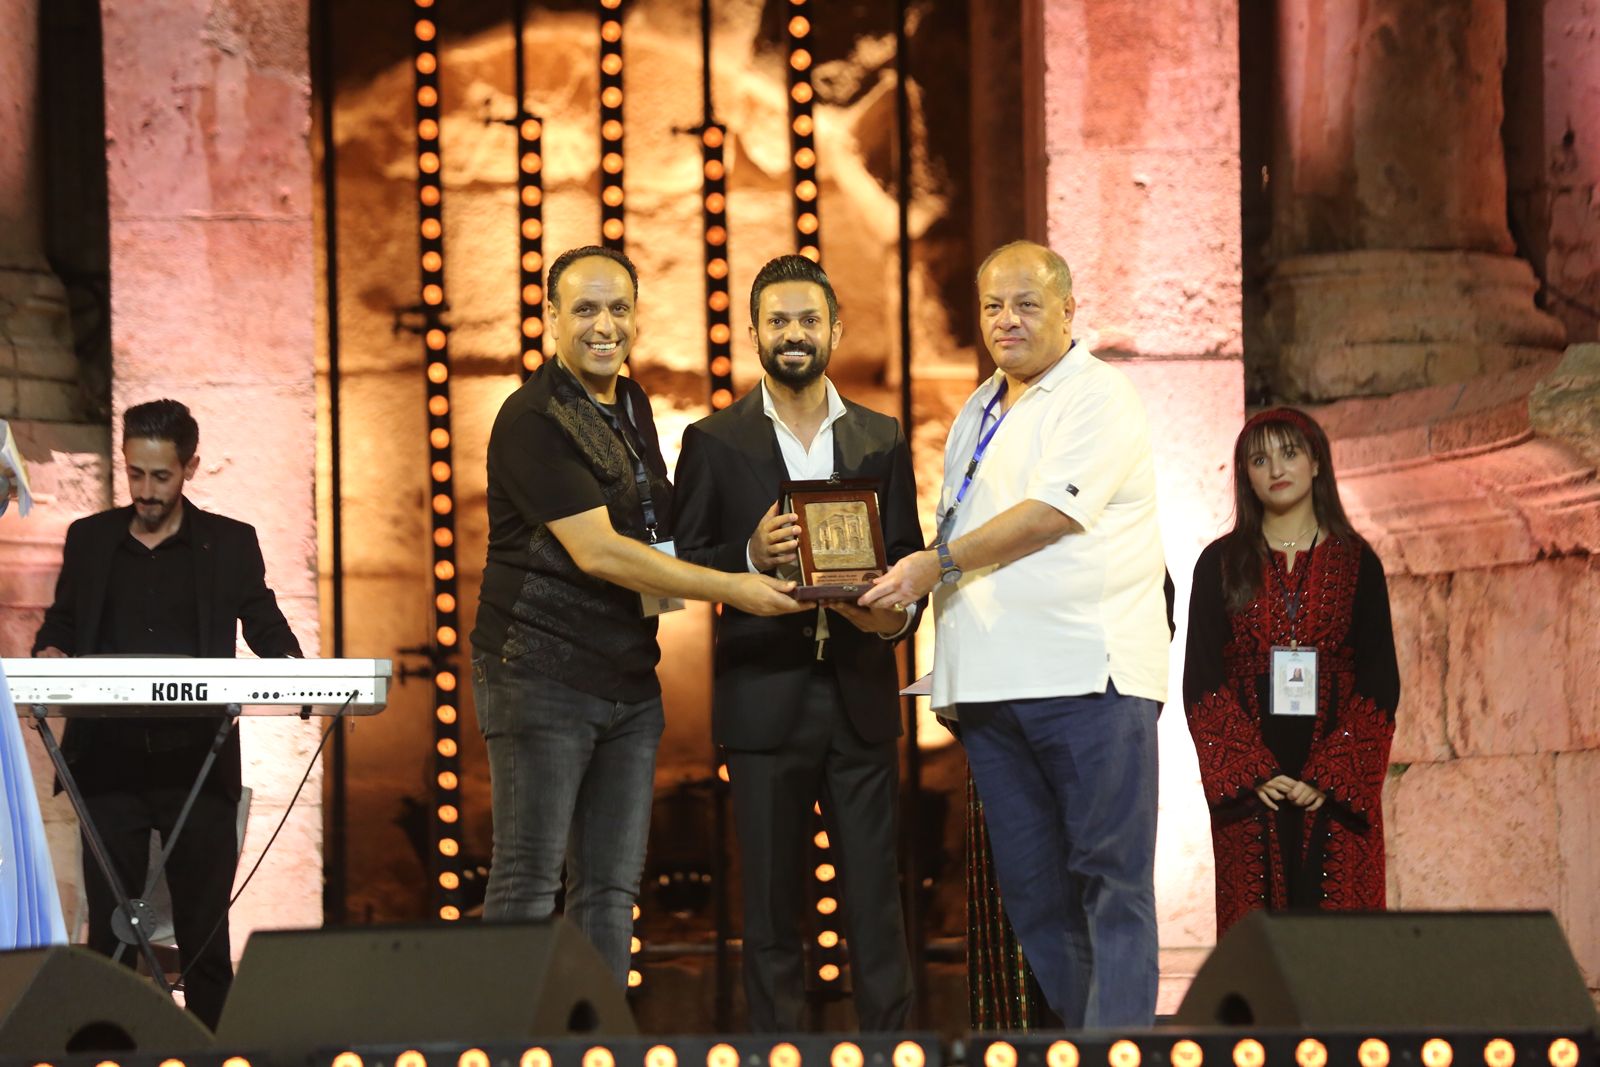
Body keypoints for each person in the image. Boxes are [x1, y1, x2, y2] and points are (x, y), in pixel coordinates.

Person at [470, 245, 803, 984]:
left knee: (612, 892)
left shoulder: (631, 401)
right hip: (539, 674)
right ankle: (501, 1038)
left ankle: (595, 1036)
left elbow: (655, 531)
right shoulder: (532, 418)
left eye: (619, 308)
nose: (604, 325)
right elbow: (600, 553)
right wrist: (735, 587)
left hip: (628, 681)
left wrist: (747, 554)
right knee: (528, 880)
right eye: (585, 308)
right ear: (551, 316)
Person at [863, 240, 1169, 1027]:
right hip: (993, 691)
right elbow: (961, 525)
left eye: (1027, 303)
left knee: (1110, 882)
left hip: (1086, 680)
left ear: (1069, 309)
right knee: (1034, 897)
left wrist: (935, 564)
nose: (1008, 319)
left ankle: (1119, 1049)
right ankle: (1085, 1039)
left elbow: (1049, 515)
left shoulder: (1097, 394)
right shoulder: (978, 407)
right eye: (994, 305)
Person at [674, 254, 921, 1031]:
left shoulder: (882, 436)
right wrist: (748, 556)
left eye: (808, 319)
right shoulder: (712, 440)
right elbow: (681, 564)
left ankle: (891, 1053)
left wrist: (892, 617)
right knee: (770, 914)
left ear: (835, 329)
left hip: (861, 700)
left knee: (878, 910)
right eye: (777, 320)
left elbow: (909, 562)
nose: (794, 333)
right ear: (753, 332)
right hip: (762, 700)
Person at [32, 398, 303, 1029]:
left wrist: (295, 666)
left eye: (161, 476)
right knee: (110, 941)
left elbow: (263, 620)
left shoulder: (229, 543)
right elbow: (62, 621)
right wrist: (49, 652)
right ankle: (105, 1051)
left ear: (190, 468)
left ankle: (212, 1051)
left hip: (196, 765)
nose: (146, 491)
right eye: (135, 474)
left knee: (205, 940)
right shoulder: (90, 539)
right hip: (108, 765)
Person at [1183, 407, 1399, 936]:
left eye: (1289, 453)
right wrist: (1251, 773)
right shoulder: (1219, 564)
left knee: (1340, 940)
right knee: (1258, 946)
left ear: (1316, 462)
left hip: (1335, 788)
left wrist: (1331, 778)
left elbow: (1379, 679)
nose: (1276, 469)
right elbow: (1202, 679)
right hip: (1252, 792)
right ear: (1245, 475)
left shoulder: (1357, 562)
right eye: (1259, 460)